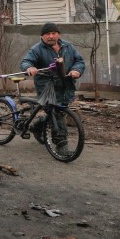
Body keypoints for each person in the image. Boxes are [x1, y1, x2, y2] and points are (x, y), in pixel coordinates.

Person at [20, 22, 85, 156]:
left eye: (53, 33)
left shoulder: (67, 47)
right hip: (47, 87)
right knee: (55, 112)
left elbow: (79, 61)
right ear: (42, 36)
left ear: (58, 34)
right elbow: (26, 61)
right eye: (47, 34)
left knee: (59, 112)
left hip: (65, 86)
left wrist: (76, 70)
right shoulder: (37, 49)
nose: (51, 36)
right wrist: (29, 68)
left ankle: (36, 127)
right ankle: (61, 144)